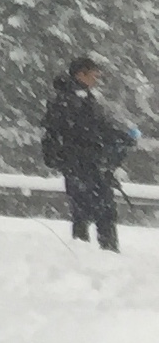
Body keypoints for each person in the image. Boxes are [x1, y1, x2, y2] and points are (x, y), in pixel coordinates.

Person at [43, 56, 142, 253]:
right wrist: (119, 137)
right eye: (93, 75)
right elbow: (91, 129)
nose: (96, 80)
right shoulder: (73, 99)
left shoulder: (76, 96)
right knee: (102, 211)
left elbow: (95, 127)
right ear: (82, 74)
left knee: (83, 211)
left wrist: (118, 136)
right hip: (83, 163)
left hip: (79, 163)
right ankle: (104, 252)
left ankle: (83, 252)